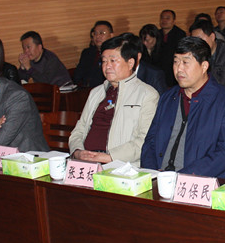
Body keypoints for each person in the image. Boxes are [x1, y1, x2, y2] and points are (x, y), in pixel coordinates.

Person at [141, 37, 225, 180]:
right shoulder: (168, 98)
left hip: (200, 181)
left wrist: (183, 176)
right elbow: (150, 141)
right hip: (160, 179)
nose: (179, 69)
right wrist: (152, 173)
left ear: (204, 66)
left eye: (185, 62)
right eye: (176, 62)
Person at [68, 34, 159, 166]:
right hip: (86, 163)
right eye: (104, 61)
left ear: (130, 63)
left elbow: (145, 140)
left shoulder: (147, 94)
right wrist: (77, 152)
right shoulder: (96, 93)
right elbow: (79, 130)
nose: (107, 66)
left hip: (121, 166)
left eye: (113, 61)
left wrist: (110, 157)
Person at [189, 20, 225, 87]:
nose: (196, 44)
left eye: (200, 39)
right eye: (194, 41)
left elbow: (222, 85)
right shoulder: (196, 53)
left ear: (212, 37)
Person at [73, 21, 113, 88]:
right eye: (95, 33)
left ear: (111, 35)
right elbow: (77, 76)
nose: (97, 36)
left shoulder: (114, 54)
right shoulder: (87, 53)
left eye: (101, 33)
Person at [159, 9, 187, 87]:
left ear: (174, 21)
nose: (164, 20)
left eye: (167, 18)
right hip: (160, 72)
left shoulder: (180, 34)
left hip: (173, 71)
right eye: (162, 18)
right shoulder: (157, 34)